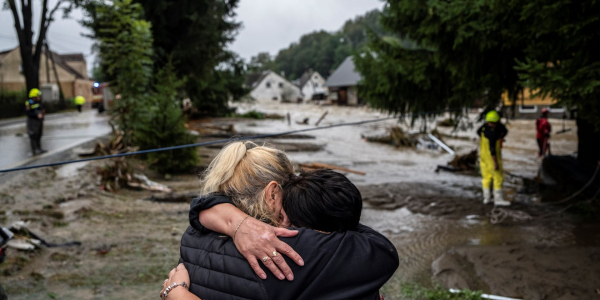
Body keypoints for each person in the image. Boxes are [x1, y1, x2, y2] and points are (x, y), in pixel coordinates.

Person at [165, 142, 399, 300]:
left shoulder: (193, 234)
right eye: (292, 187)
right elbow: (382, 252)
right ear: (272, 194)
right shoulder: (292, 248)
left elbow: (202, 204)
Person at [477, 110, 510, 206]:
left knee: (486, 177)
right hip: (492, 158)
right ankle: (498, 199)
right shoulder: (493, 133)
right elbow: (492, 149)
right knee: (498, 177)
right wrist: (495, 162)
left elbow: (477, 132)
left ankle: (486, 198)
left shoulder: (483, 128)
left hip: (483, 158)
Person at [25, 88, 46, 155]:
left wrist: (42, 113)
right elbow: (28, 113)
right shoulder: (29, 103)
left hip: (39, 121)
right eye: (38, 96)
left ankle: (39, 148)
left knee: (39, 134)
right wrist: (36, 115)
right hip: (32, 121)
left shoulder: (39, 102)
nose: (39, 97)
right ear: (34, 96)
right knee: (33, 135)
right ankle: (35, 150)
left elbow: (41, 109)